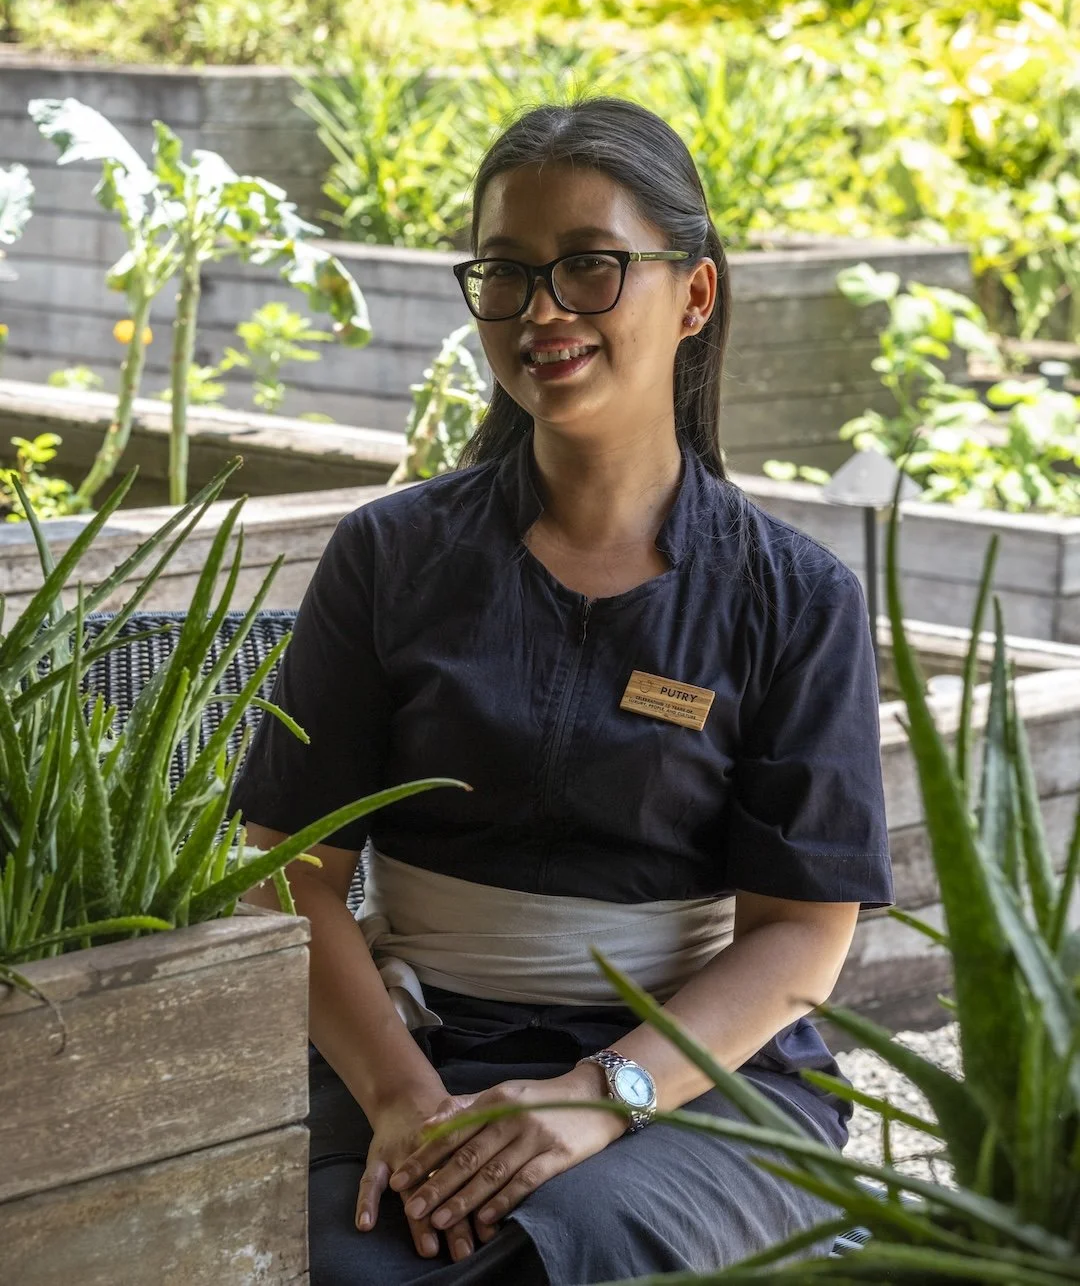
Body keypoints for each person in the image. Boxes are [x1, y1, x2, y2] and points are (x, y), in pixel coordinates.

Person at [232, 96, 895, 1286]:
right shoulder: (390, 558)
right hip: (409, 1042)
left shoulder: (795, 599)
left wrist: (608, 1093)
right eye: (507, 272)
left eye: (590, 267)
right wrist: (402, 1099)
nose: (541, 311)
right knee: (345, 1260)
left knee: (566, 1249)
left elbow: (799, 938)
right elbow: (293, 872)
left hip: (698, 1077)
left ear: (693, 296)